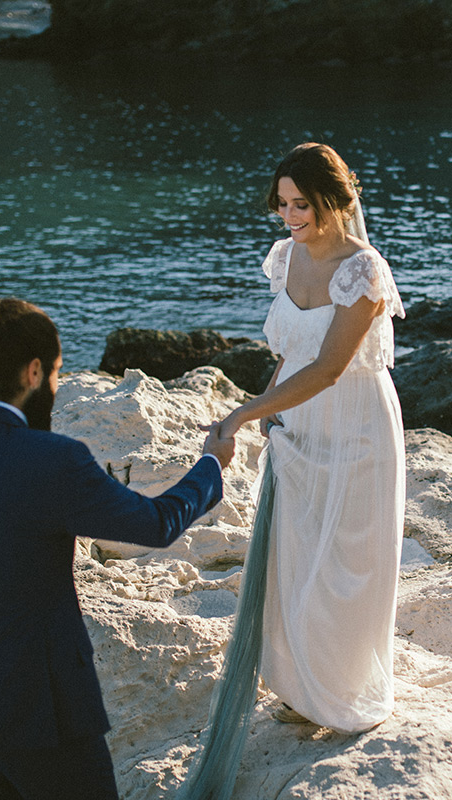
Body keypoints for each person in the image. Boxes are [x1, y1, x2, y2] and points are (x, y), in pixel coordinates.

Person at [0, 284, 235, 800]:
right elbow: (155, 524)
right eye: (59, 372)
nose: (58, 384)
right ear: (35, 372)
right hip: (40, 711)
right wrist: (210, 465)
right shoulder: (52, 459)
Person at [204, 142, 406, 736]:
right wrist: (270, 409)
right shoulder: (286, 256)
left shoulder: (363, 269)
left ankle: (339, 690)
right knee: (295, 553)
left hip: (355, 424)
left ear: (334, 200)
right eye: (283, 204)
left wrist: (243, 412)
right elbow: (293, 353)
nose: (291, 217)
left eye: (302, 204)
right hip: (297, 418)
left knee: (347, 561)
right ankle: (300, 685)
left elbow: (328, 369)